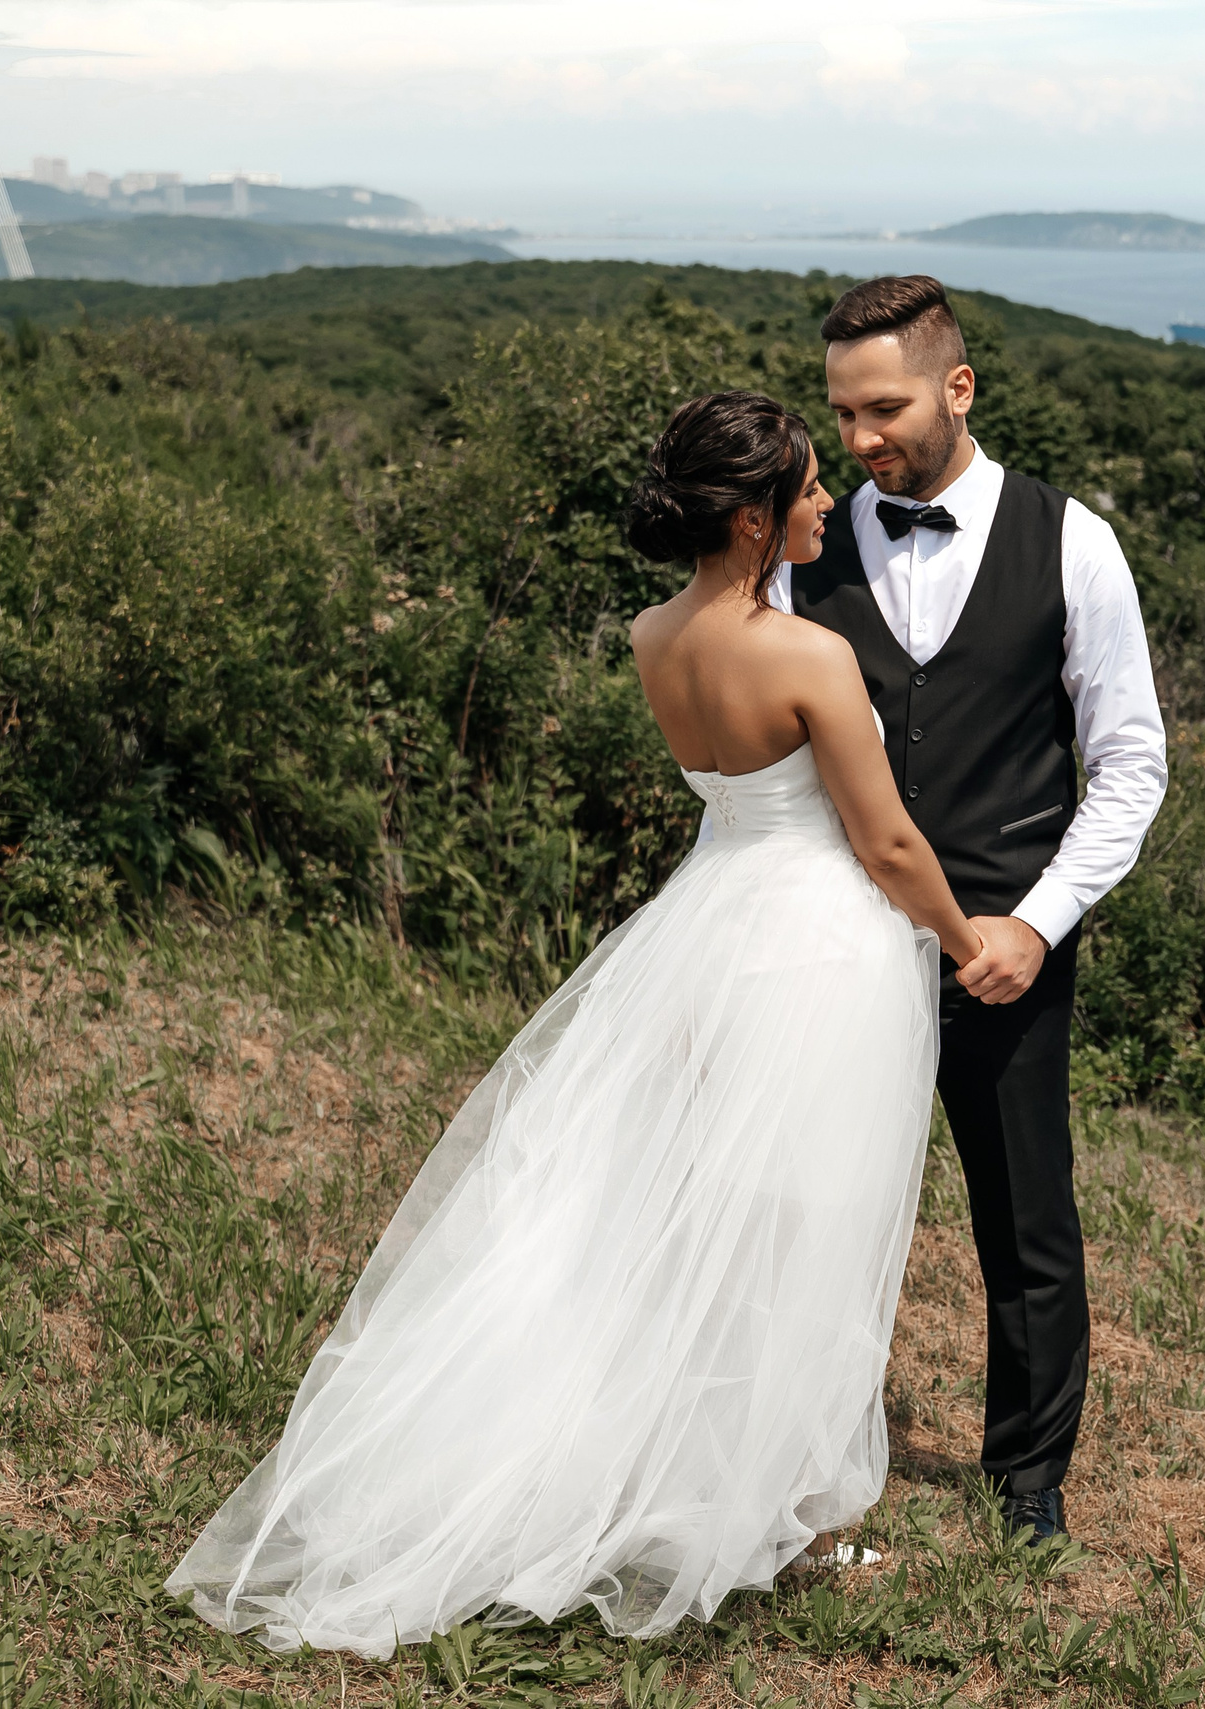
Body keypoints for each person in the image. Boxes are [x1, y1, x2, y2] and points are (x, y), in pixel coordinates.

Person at [167, 391, 990, 1657]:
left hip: (705, 925)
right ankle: (760, 1498)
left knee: (689, 1210)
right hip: (811, 943)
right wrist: (966, 933)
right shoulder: (808, 654)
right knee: (801, 1225)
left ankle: (716, 1470)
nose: (834, 504)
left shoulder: (652, 632)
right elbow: (881, 838)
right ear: (760, 519)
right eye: (815, 490)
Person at [780, 276, 1168, 1545]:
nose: (856, 441)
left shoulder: (1073, 541)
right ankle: (800, 1451)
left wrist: (1038, 922)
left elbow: (1130, 763)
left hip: (1004, 938)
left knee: (1025, 1219)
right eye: (839, 413)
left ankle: (1028, 1480)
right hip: (841, 936)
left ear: (956, 387)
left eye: (881, 407)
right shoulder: (808, 545)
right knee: (817, 1204)